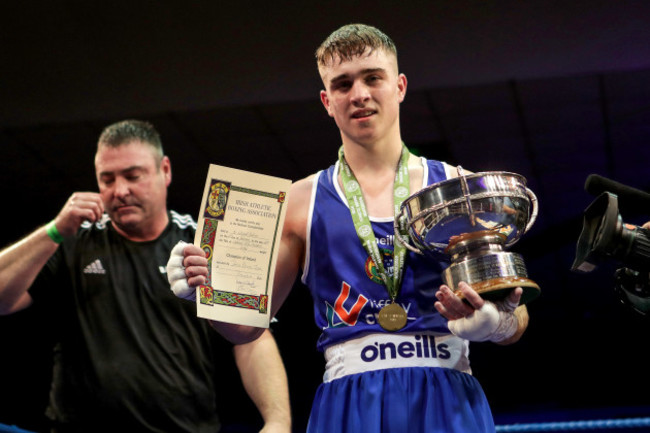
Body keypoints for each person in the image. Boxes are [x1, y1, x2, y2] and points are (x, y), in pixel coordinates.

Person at [171, 24, 530, 432]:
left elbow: (515, 318)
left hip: (446, 393)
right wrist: (202, 284)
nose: (359, 94)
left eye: (372, 77)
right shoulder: (297, 202)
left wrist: (493, 323)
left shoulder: (458, 189)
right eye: (343, 84)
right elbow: (245, 327)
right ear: (327, 101)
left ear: (400, 86)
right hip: (347, 401)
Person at [0, 120, 291, 433]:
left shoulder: (200, 244)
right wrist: (54, 231)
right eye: (107, 179)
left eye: (132, 176)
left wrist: (278, 422)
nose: (120, 190)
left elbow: (251, 340)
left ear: (164, 170)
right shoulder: (73, 241)